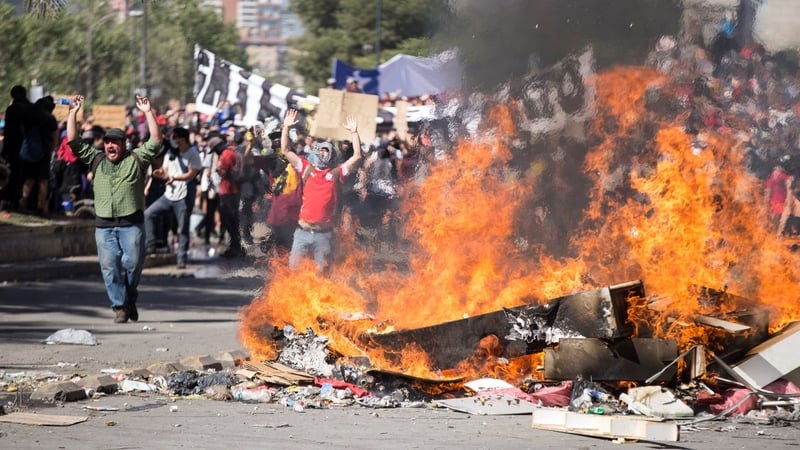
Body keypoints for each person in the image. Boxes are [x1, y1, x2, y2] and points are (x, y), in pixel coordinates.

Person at [66, 95, 162, 323]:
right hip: (104, 226)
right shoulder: (96, 159)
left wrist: (148, 112)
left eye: (115, 142)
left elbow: (156, 141)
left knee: (133, 265)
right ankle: (120, 307)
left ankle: (130, 299)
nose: (110, 145)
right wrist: (73, 112)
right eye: (108, 142)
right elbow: (73, 139)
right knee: (109, 268)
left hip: (132, 224)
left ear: (123, 145)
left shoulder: (137, 159)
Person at [278, 109, 362, 272]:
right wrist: (286, 128)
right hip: (302, 233)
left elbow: (357, 156)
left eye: (327, 150)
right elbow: (286, 150)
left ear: (332, 155)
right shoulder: (307, 169)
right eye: (320, 150)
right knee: (294, 271)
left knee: (321, 274)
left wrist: (354, 132)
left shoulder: (336, 173)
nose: (323, 152)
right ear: (315, 152)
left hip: (324, 235)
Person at [144, 127, 202, 269]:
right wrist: (160, 172)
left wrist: (174, 178)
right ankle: (151, 244)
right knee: (148, 214)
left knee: (183, 228)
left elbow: (191, 174)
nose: (174, 140)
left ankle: (181, 259)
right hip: (168, 195)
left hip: (183, 196)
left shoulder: (193, 154)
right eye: (173, 137)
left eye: (176, 137)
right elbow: (165, 169)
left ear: (184, 138)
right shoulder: (170, 153)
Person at [209, 135, 245, 258]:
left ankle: (236, 248)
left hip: (228, 191)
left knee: (229, 220)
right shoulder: (233, 151)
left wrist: (216, 167)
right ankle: (236, 247)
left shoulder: (225, 154)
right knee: (233, 220)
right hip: (234, 190)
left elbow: (223, 172)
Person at [1, 85, 33, 210]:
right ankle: (24, 201)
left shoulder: (12, 109)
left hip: (14, 147)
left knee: (11, 174)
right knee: (27, 175)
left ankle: (11, 200)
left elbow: (9, 130)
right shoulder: (31, 108)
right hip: (31, 148)